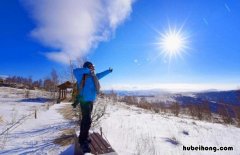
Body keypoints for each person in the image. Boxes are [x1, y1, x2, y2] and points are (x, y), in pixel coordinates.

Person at [73, 61, 113, 153]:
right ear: (87, 67)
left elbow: (101, 74)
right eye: (91, 66)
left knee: (85, 120)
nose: (93, 68)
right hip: (84, 101)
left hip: (90, 101)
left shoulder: (93, 76)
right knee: (87, 121)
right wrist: (87, 70)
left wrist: (108, 71)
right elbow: (74, 71)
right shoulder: (81, 76)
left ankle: (83, 137)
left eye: (93, 67)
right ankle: (83, 142)